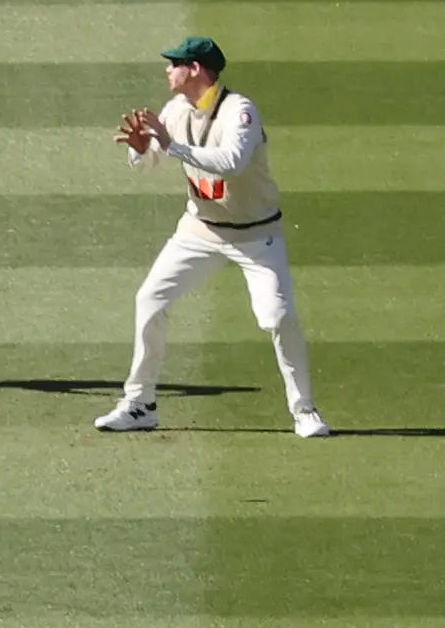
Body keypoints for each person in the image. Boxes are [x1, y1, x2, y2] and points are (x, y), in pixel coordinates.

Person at [99, 36, 329, 438]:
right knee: (150, 299)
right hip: (200, 231)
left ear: (196, 70)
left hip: (257, 236)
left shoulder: (240, 111)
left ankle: (304, 410)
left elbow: (232, 163)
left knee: (278, 317)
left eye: (175, 63)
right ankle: (139, 404)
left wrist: (172, 146)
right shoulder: (175, 110)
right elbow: (148, 162)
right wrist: (140, 149)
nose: (167, 70)